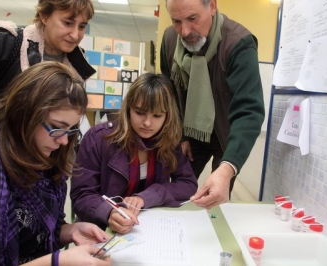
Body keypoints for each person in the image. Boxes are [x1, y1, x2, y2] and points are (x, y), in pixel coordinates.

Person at [0, 61, 111, 266]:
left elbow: (40, 232)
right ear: (24, 113)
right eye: (57, 127)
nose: (64, 141)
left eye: (71, 129)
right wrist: (55, 261)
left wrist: (71, 231)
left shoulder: (43, 157)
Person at [160, 0, 265, 209]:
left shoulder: (239, 44)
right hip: (190, 131)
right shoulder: (170, 39)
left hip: (226, 135)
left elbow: (249, 112)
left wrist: (227, 168)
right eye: (176, 21)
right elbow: (169, 92)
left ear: (213, 6)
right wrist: (180, 135)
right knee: (173, 191)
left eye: (192, 18)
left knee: (216, 199)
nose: (185, 31)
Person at [70, 73, 198, 234]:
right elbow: (81, 194)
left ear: (167, 116)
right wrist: (108, 213)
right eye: (139, 112)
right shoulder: (98, 138)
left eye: (157, 115)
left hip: (149, 228)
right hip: (100, 229)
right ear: (128, 108)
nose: (147, 123)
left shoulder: (169, 141)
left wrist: (148, 196)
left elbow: (188, 184)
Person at [0, 0, 96, 128]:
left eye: (82, 26)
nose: (75, 35)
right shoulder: (4, 42)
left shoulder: (77, 64)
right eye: (67, 23)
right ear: (44, 16)